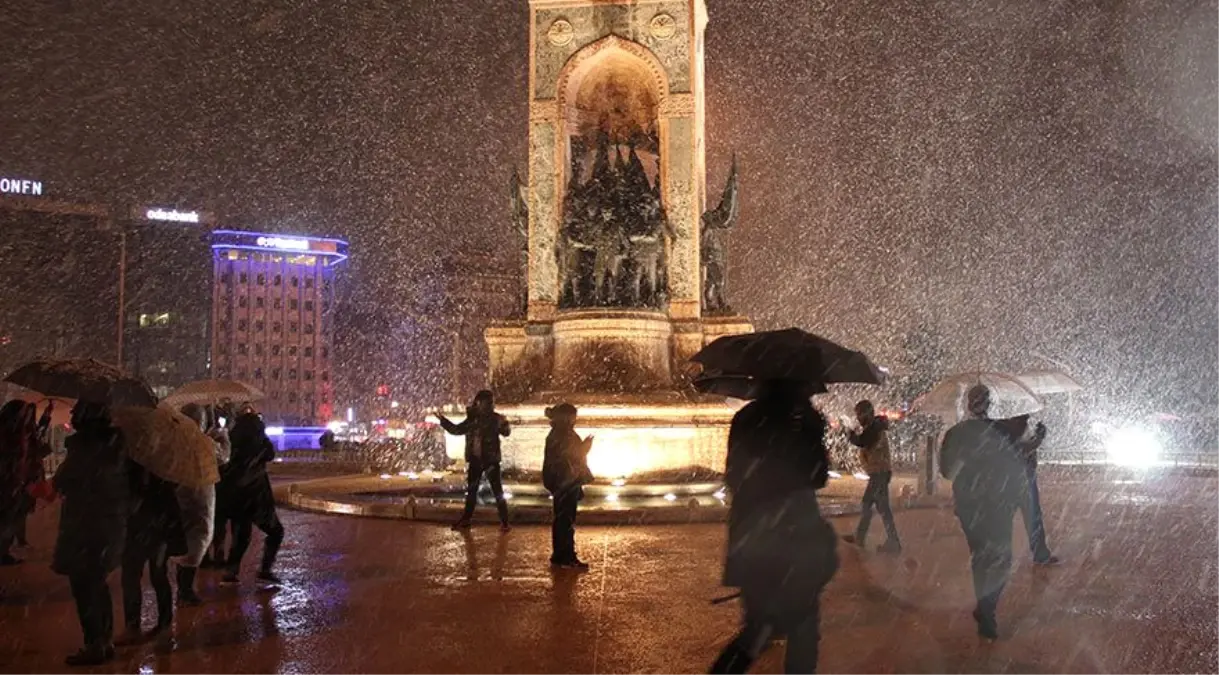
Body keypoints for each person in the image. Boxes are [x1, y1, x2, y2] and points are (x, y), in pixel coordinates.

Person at [711, 380, 840, 675]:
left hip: (752, 533)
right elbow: (818, 476)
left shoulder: (746, 417)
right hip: (794, 536)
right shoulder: (803, 419)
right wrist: (812, 432)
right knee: (803, 632)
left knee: (757, 631)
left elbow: (733, 476)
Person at [939, 385, 1029, 640]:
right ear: (988, 403)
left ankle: (985, 607)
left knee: (980, 558)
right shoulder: (1002, 430)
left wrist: (967, 462)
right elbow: (1017, 463)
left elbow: (946, 471)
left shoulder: (956, 433)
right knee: (1002, 559)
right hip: (998, 504)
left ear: (969, 404)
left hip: (969, 505)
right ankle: (986, 608)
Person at [52, 401, 132, 666]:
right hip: (109, 526)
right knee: (97, 583)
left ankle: (94, 643)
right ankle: (104, 640)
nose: (72, 415)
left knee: (85, 586)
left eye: (77, 411)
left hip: (86, 526)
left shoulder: (85, 447)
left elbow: (63, 481)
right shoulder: (117, 445)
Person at [119, 464, 184, 642]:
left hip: (153, 529)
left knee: (154, 575)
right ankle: (137, 625)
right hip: (144, 529)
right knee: (137, 576)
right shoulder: (157, 464)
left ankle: (160, 623)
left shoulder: (156, 465)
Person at [218, 411, 283, 585]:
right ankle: (265, 569)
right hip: (257, 497)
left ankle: (230, 572)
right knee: (276, 531)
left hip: (237, 497)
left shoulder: (231, 441)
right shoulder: (260, 444)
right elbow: (270, 454)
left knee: (240, 536)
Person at [172, 403, 224, 605]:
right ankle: (185, 592)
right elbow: (223, 455)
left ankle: (183, 589)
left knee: (184, 542)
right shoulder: (204, 442)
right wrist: (221, 435)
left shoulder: (175, 441)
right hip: (200, 495)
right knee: (198, 540)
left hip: (180, 494)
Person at [437, 390, 512, 531]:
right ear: (479, 403)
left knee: (497, 491)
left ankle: (505, 522)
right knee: (473, 491)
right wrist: (443, 421)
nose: (490, 405)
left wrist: (505, 424)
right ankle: (467, 520)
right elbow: (457, 430)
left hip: (490, 460)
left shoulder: (494, 419)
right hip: (477, 460)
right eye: (487, 402)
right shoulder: (474, 419)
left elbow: (506, 433)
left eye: (491, 402)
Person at [842, 400, 902, 553]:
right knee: (877, 506)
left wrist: (850, 433)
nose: (858, 418)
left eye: (859, 415)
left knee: (873, 506)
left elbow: (862, 441)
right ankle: (864, 537)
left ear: (866, 413)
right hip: (879, 472)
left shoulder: (874, 428)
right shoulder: (874, 427)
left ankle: (890, 542)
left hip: (879, 473)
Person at [541, 403, 593, 569]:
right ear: (565, 416)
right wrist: (584, 448)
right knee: (566, 521)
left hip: (564, 481)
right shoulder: (562, 434)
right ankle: (567, 556)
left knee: (562, 519)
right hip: (565, 481)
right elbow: (567, 456)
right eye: (572, 416)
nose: (574, 420)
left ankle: (559, 555)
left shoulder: (559, 432)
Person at [1002, 415, 1058, 565]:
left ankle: (1039, 554)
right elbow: (1020, 449)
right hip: (1021, 476)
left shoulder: (1012, 424)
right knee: (1032, 515)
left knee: (1029, 516)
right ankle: (1040, 554)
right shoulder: (1011, 425)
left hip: (1016, 476)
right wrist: (1038, 439)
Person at [0, 401, 31, 565]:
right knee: (7, 521)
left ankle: (4, 552)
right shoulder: (11, 433)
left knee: (9, 520)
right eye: (25, 412)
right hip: (8, 484)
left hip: (13, 483)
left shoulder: (17, 431)